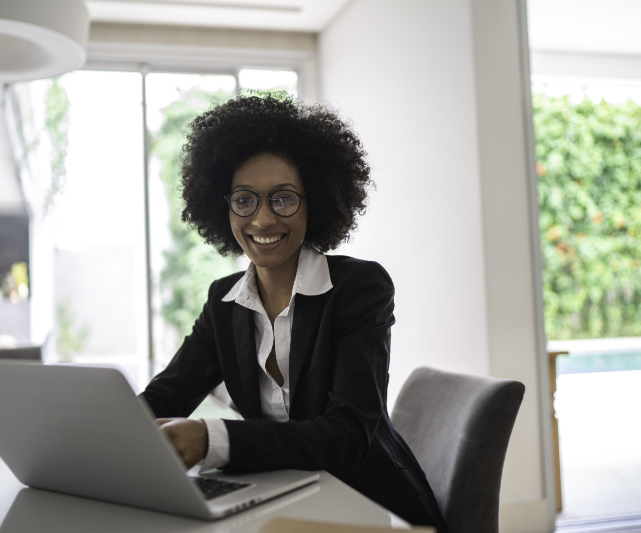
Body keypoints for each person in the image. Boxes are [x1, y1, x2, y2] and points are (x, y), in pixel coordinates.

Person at [140, 94, 447, 532]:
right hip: (283, 501)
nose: (263, 220)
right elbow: (165, 399)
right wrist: (107, 432)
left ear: (315, 201)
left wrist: (212, 438)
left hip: (373, 506)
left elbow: (347, 436)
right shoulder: (223, 301)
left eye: (283, 199)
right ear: (223, 206)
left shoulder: (359, 289)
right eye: (244, 200)